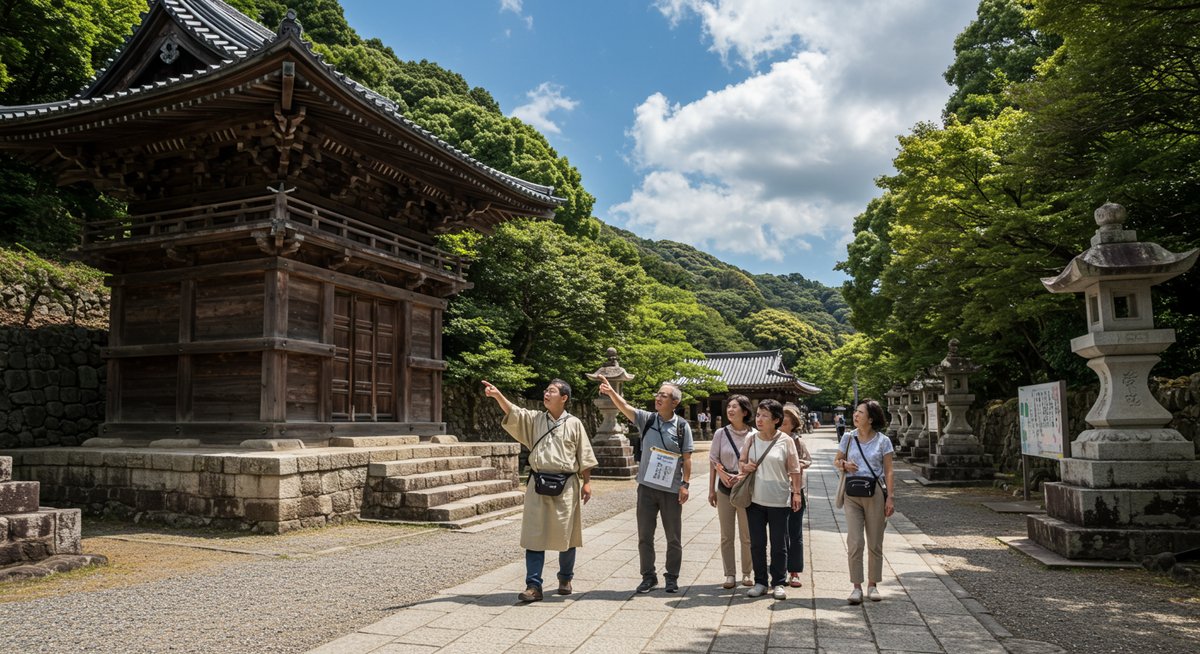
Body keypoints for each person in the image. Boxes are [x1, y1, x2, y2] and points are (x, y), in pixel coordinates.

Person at [483, 378, 597, 603]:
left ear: (564, 398)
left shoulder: (574, 423)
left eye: (551, 391)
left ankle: (565, 578)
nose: (546, 394)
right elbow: (514, 412)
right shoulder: (535, 419)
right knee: (534, 535)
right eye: (545, 390)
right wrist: (498, 396)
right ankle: (533, 585)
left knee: (567, 534)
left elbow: (584, 454)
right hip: (538, 482)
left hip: (566, 486)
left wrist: (587, 482)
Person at [598, 377, 693, 594]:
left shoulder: (681, 427)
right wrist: (612, 392)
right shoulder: (647, 419)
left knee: (673, 537)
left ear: (675, 402)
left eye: (664, 395)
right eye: (658, 394)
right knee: (644, 535)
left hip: (670, 489)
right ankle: (648, 576)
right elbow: (625, 407)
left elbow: (686, 458)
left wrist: (685, 484)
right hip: (647, 487)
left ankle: (672, 576)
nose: (658, 398)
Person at [739, 399, 804, 600]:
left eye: (764, 416)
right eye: (758, 415)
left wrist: (796, 493)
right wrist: (745, 467)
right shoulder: (751, 438)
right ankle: (760, 581)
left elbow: (794, 469)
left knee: (779, 544)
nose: (759, 419)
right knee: (757, 543)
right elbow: (741, 462)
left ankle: (778, 582)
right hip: (755, 499)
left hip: (779, 499)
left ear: (776, 419)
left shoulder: (786, 441)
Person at [834, 399, 895, 605]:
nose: (855, 415)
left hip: (875, 492)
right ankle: (856, 586)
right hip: (852, 492)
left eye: (860, 412)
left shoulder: (883, 441)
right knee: (855, 541)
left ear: (870, 418)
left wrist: (891, 498)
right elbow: (836, 460)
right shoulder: (848, 438)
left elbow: (888, 470)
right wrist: (844, 464)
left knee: (875, 541)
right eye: (855, 412)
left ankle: (873, 584)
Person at [708, 394, 756, 589]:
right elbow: (713, 460)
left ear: (745, 411)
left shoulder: (753, 434)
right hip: (724, 488)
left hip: (745, 488)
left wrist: (741, 475)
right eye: (729, 406)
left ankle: (747, 573)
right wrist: (712, 488)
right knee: (726, 535)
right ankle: (729, 574)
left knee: (747, 535)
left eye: (735, 407)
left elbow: (756, 462)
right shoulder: (720, 433)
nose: (730, 410)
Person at [781, 404, 813, 588]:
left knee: (795, 532)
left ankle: (794, 571)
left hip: (796, 490)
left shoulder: (798, 442)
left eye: (785, 423)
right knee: (779, 533)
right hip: (776, 490)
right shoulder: (771, 439)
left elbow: (808, 459)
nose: (781, 427)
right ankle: (779, 569)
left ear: (793, 424)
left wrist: (797, 463)